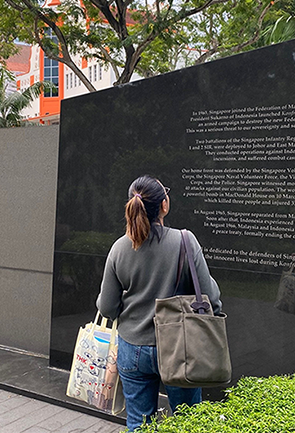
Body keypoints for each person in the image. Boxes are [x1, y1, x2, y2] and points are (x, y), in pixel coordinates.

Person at [96, 175, 223, 432]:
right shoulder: (185, 241)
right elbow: (210, 296)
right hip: (180, 347)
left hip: (132, 347)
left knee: (139, 423)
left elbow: (107, 307)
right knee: (187, 422)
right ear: (164, 205)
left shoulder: (119, 248)